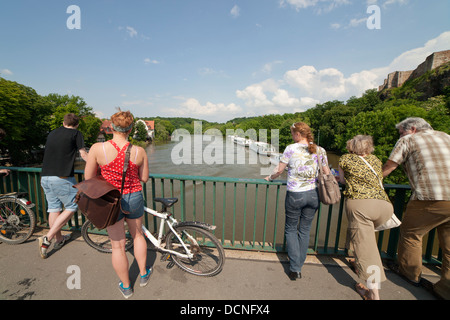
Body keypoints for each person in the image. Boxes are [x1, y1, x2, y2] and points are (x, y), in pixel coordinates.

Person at [84, 109, 150, 299]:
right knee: (138, 236)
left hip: (110, 200)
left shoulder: (98, 148)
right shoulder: (139, 151)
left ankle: (127, 286)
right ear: (130, 130)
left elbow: (89, 178)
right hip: (134, 196)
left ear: (111, 127)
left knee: (118, 245)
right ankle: (144, 274)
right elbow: (144, 178)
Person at [382, 117, 450, 300]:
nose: (400, 136)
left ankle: (410, 275)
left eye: (400, 132)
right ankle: (445, 288)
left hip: (429, 197)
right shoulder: (446, 136)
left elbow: (390, 166)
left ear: (411, 129)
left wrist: (372, 180)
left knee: (411, 234)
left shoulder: (408, 139)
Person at [265, 122, 330, 280]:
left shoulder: (291, 148)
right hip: (313, 195)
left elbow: (279, 170)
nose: (292, 136)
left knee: (291, 230)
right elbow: (326, 172)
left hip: (295, 195)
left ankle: (295, 268)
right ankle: (299, 264)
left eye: (293, 133)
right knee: (305, 230)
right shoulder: (320, 150)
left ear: (298, 134)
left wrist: (270, 177)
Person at [338, 135, 393, 300]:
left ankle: (373, 295)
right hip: (384, 206)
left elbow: (341, 180)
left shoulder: (346, 159)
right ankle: (356, 260)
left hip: (361, 207)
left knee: (369, 253)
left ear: (351, 146)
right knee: (365, 242)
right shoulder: (375, 159)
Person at [38, 114, 88, 259]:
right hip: (62, 178)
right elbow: (83, 154)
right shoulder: (76, 134)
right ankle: (47, 238)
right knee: (73, 206)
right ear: (77, 125)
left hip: (45, 177)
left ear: (63, 122)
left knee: (54, 208)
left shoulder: (52, 133)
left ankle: (58, 239)